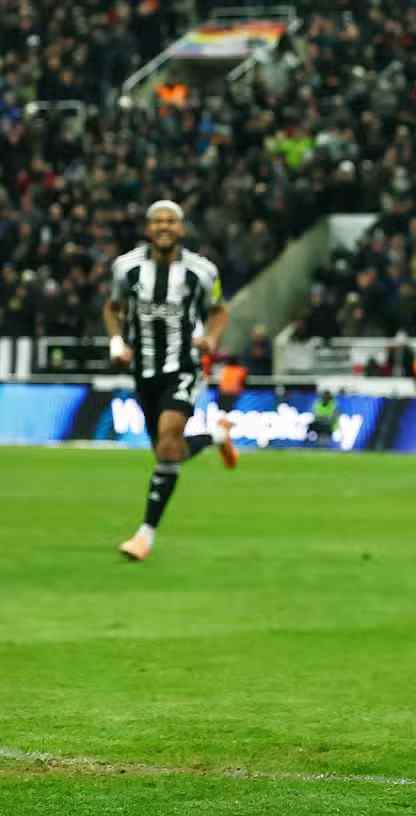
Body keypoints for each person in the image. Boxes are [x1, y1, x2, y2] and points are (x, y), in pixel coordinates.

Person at [102, 200, 238, 562]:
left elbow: (220, 310)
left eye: (171, 222)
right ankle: (218, 435)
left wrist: (211, 338)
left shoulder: (203, 272)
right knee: (168, 452)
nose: (164, 227)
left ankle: (144, 535)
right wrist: (117, 342)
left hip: (184, 366)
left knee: (167, 441)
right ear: (148, 229)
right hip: (144, 371)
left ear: (181, 229)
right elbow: (112, 309)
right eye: (158, 221)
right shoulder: (126, 268)